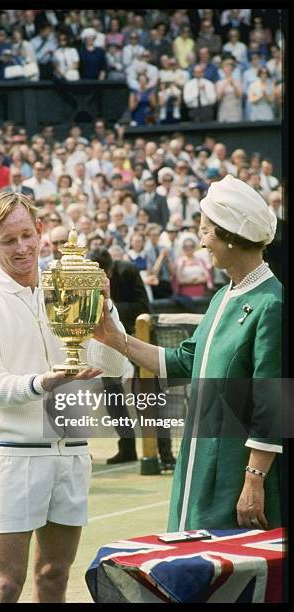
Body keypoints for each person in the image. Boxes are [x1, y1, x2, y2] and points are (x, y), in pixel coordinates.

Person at [0, 192, 127, 603]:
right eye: (9, 240)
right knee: (7, 584)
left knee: (54, 576)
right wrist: (42, 383)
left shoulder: (68, 286)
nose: (22, 248)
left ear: (41, 233)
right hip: (13, 455)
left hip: (72, 452)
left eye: (27, 236)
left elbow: (117, 368)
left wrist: (107, 310)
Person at [94, 174, 282, 531]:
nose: (201, 240)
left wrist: (254, 478)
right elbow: (183, 362)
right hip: (198, 466)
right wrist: (115, 338)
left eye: (207, 230)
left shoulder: (272, 304)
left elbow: (271, 402)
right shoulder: (222, 296)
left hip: (235, 473)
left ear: (231, 235)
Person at [88, 247, 150, 465]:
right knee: (113, 397)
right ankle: (127, 447)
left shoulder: (129, 271)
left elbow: (143, 305)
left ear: (110, 270)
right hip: (106, 343)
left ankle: (160, 450)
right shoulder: (87, 279)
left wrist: (108, 307)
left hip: (138, 338)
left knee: (146, 395)